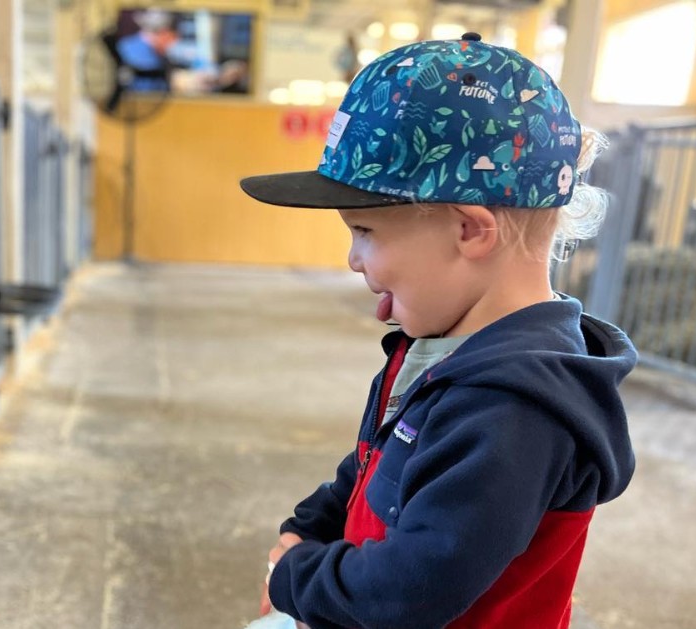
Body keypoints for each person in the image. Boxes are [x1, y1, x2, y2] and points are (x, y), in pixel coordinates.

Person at [238, 32, 637, 629]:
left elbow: (414, 588)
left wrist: (295, 578)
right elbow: (377, 464)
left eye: (365, 232)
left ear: (471, 231)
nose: (354, 259)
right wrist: (311, 524)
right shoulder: (448, 346)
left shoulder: (515, 409)